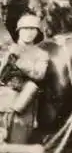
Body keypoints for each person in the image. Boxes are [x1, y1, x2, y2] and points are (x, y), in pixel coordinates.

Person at [0, 14, 50, 144]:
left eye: (32, 29)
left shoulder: (41, 54)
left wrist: (19, 61)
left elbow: (39, 74)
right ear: (19, 30)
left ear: (37, 32)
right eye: (25, 29)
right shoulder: (6, 48)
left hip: (22, 105)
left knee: (17, 146)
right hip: (2, 101)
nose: (29, 33)